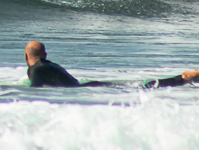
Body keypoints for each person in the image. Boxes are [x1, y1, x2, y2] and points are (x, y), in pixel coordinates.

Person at [24, 41, 199, 89]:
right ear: (45, 55)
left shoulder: (37, 69)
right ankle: (183, 78)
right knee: (139, 86)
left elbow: (34, 90)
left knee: (142, 88)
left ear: (26, 56)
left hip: (87, 88)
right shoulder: (48, 65)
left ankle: (184, 78)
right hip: (90, 86)